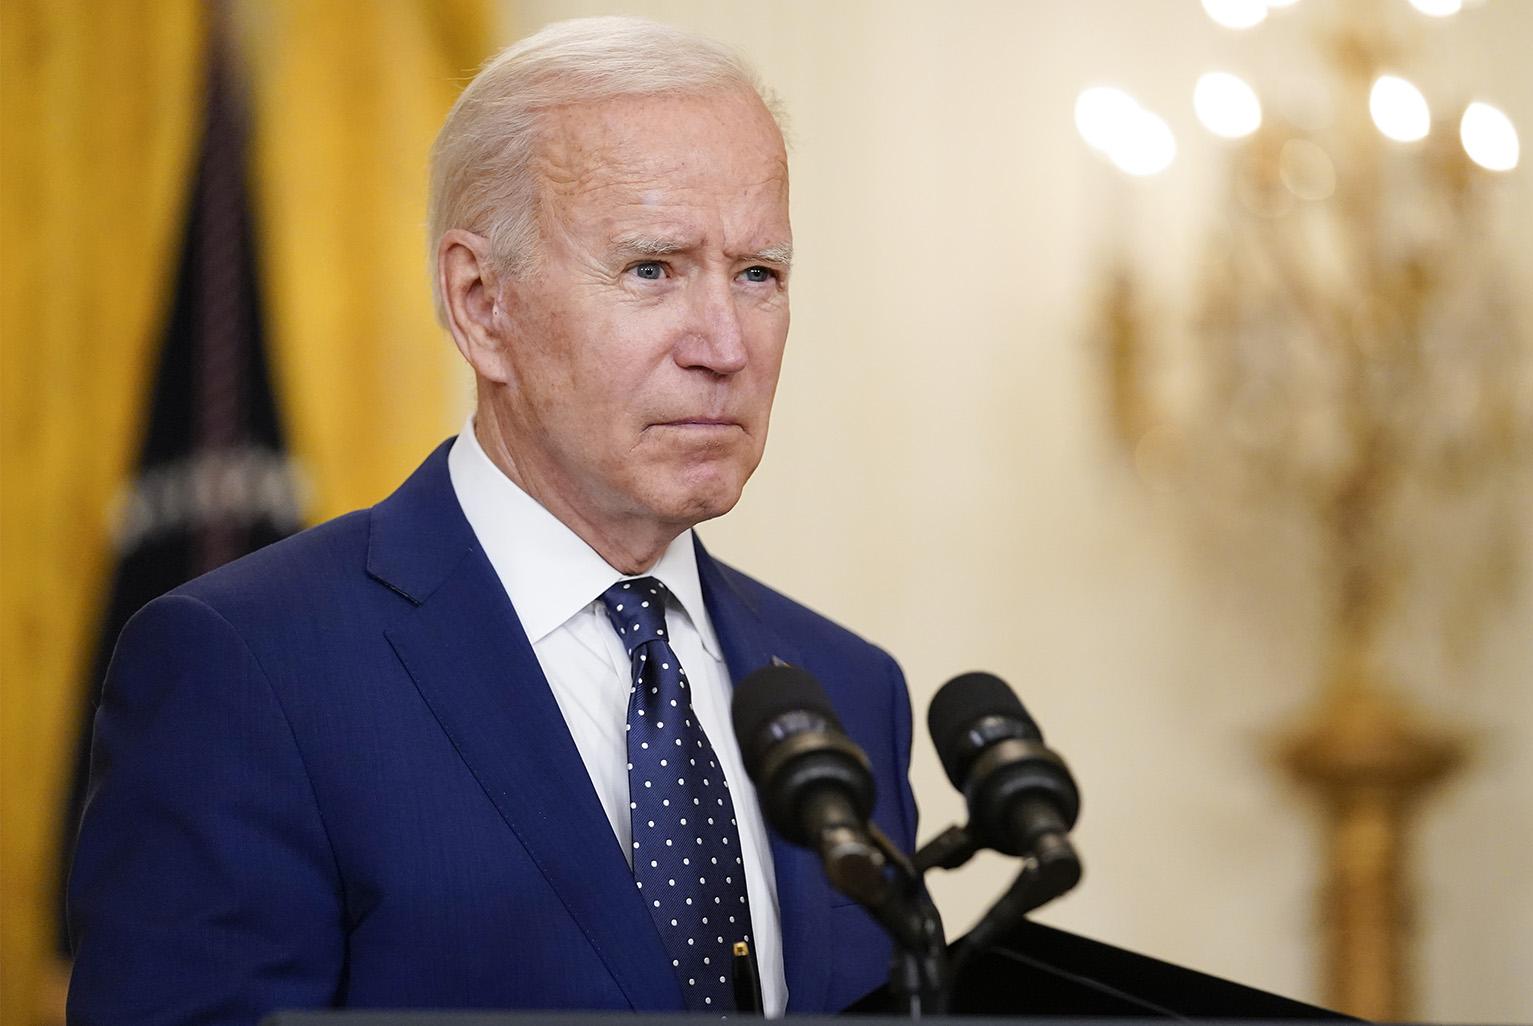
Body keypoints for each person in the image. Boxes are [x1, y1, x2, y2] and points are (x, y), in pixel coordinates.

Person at [65, 17, 916, 1024]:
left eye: (758, 274)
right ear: (479, 304)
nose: (725, 345)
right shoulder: (247, 672)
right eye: (653, 269)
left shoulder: (848, 692)